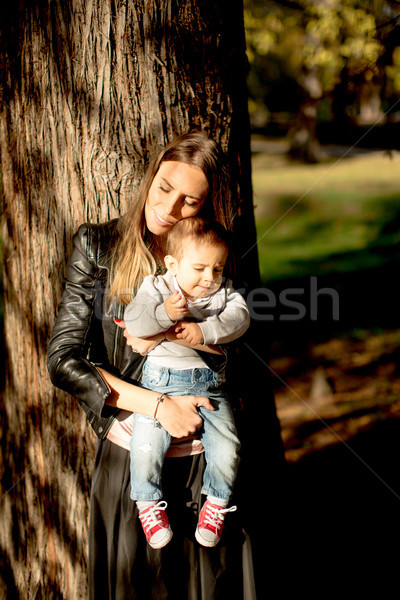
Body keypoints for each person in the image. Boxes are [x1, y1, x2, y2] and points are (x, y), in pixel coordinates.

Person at [47, 131, 259, 600]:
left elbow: (243, 349)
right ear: (150, 178)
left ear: (205, 207)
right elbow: (63, 360)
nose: (169, 207)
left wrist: (199, 339)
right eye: (164, 187)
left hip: (204, 467)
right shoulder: (98, 246)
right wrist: (160, 407)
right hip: (131, 461)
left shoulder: (214, 258)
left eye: (189, 200)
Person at [123, 216, 250, 550]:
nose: (209, 278)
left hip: (209, 385)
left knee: (228, 444)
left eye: (217, 269)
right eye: (199, 268)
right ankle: (147, 502)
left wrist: (204, 332)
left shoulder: (223, 293)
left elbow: (240, 318)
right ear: (172, 264)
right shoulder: (158, 287)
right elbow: (135, 319)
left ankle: (217, 502)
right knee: (146, 444)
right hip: (159, 384)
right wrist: (164, 312)